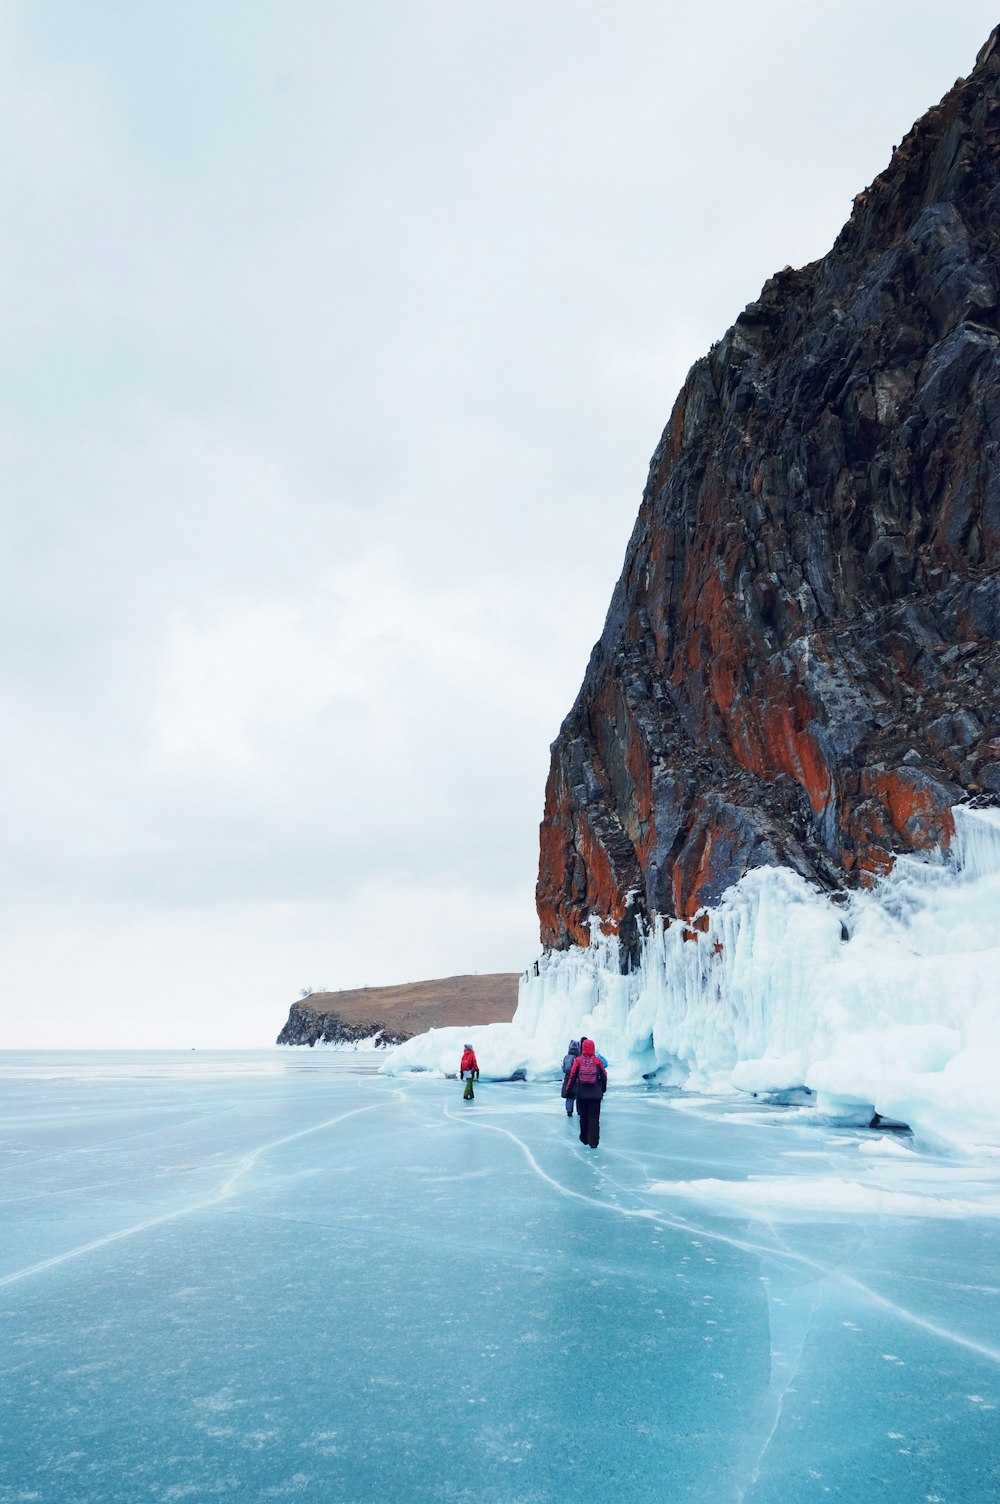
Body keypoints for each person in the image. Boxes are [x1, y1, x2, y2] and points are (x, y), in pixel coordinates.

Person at [565, 1039, 607, 1148]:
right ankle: (593, 1142)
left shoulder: (578, 1061)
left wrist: (568, 1090)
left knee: (583, 1117)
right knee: (594, 1118)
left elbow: (573, 1076)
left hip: (582, 1094)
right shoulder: (597, 1061)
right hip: (595, 1094)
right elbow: (604, 1076)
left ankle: (584, 1139)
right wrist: (603, 1089)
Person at [560, 1039, 581, 1116]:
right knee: (578, 1096)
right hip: (576, 1079)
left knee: (569, 1096)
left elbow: (563, 1068)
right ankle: (579, 1111)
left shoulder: (566, 1057)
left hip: (567, 1078)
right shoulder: (577, 1058)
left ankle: (569, 1111)